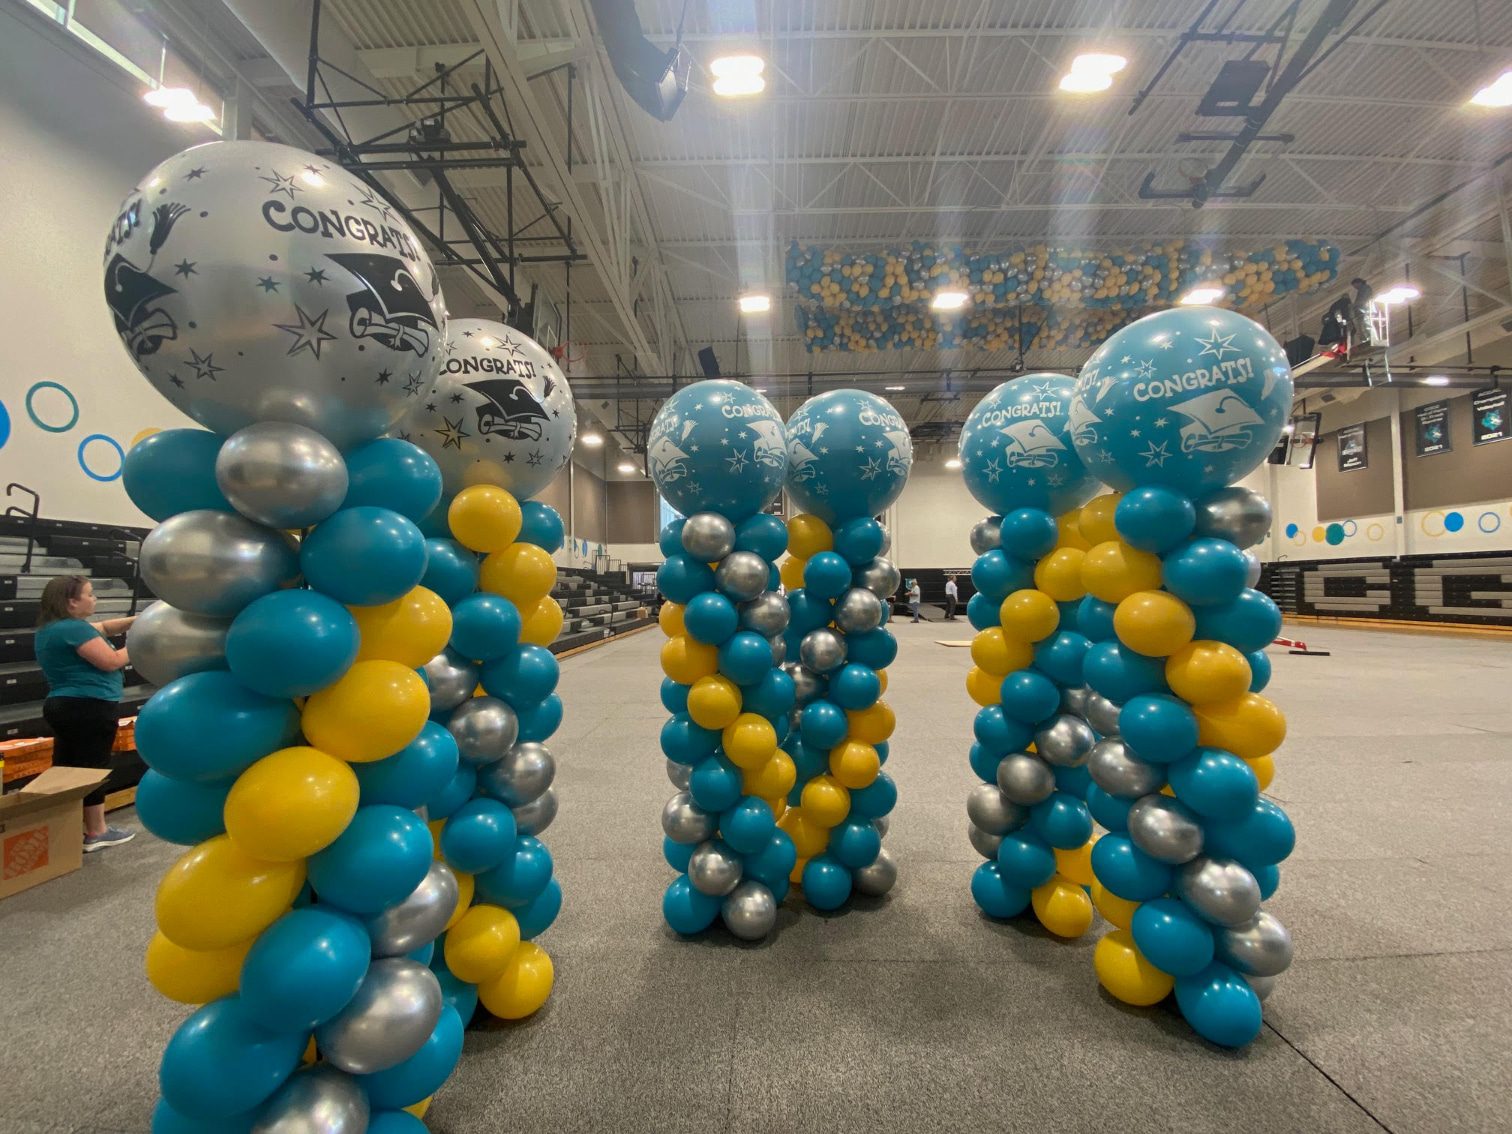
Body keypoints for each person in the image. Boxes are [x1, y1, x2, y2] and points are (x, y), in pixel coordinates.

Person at [34, 576, 136, 851]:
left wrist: (138, 620)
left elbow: (105, 627)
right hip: (89, 706)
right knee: (93, 766)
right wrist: (143, 641)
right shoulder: (74, 629)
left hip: (64, 705)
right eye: (89, 595)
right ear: (71, 602)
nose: (94, 599)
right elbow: (111, 661)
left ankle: (64, 828)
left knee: (69, 767)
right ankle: (96, 831)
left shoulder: (53, 628)